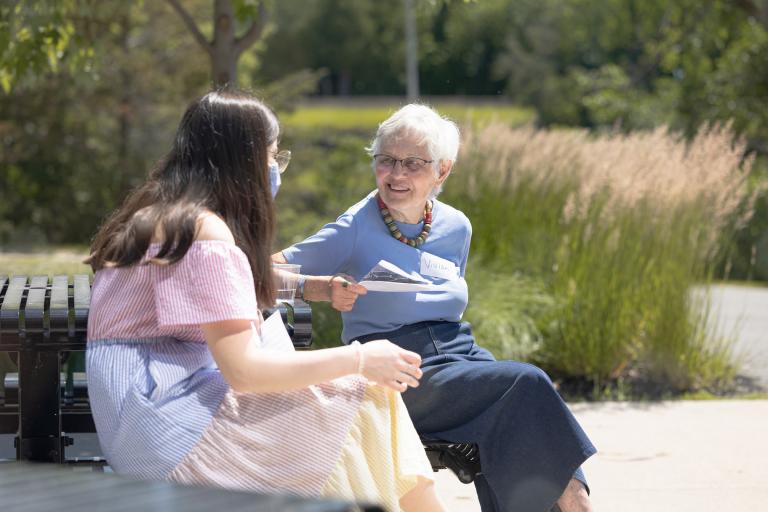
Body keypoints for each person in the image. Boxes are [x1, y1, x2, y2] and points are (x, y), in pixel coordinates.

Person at [85, 91, 447, 512]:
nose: (276, 169)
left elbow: (218, 285)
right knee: (364, 398)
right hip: (176, 439)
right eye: (273, 155)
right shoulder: (204, 231)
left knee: (355, 402)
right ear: (242, 160)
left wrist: (310, 287)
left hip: (148, 427)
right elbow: (244, 371)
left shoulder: (166, 214)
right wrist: (361, 358)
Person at [274, 104, 597, 512]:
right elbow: (259, 273)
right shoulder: (354, 226)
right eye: (386, 161)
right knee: (527, 384)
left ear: (442, 171)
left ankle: (574, 504)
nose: (396, 175)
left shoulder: (456, 226)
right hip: (397, 370)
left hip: (460, 355)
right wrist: (318, 288)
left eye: (413, 164)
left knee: (522, 411)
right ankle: (579, 506)